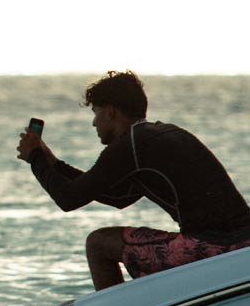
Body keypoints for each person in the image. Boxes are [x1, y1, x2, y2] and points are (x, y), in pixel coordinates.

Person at [16, 70, 250, 289]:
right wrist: (54, 163)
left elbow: (67, 199)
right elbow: (118, 197)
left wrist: (35, 157)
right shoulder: (160, 135)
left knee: (98, 244)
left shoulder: (130, 146)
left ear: (111, 112)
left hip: (213, 246)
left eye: (96, 113)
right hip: (242, 242)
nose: (94, 123)